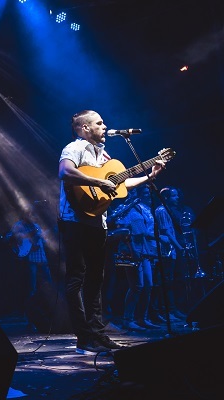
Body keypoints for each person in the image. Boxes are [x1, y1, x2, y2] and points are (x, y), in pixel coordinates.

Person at [58, 110, 165, 354]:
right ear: (85, 128)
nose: (105, 126)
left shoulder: (103, 155)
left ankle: (97, 333)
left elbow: (120, 183)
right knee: (77, 277)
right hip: (74, 219)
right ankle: (83, 337)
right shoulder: (74, 148)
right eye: (99, 123)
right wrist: (97, 183)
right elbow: (65, 172)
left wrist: (149, 176)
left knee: (96, 278)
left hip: (98, 221)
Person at [115, 185, 162, 331]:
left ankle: (143, 318)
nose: (133, 193)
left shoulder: (140, 208)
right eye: (130, 190)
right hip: (131, 252)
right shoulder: (124, 209)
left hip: (144, 251)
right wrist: (132, 250)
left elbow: (143, 232)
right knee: (137, 286)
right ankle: (127, 319)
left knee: (148, 285)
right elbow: (123, 232)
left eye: (134, 190)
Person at [154, 187, 188, 319]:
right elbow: (166, 232)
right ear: (166, 197)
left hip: (171, 250)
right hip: (165, 251)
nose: (177, 198)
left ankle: (172, 310)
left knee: (170, 281)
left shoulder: (167, 210)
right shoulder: (162, 210)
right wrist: (179, 247)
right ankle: (167, 311)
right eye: (174, 196)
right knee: (166, 281)